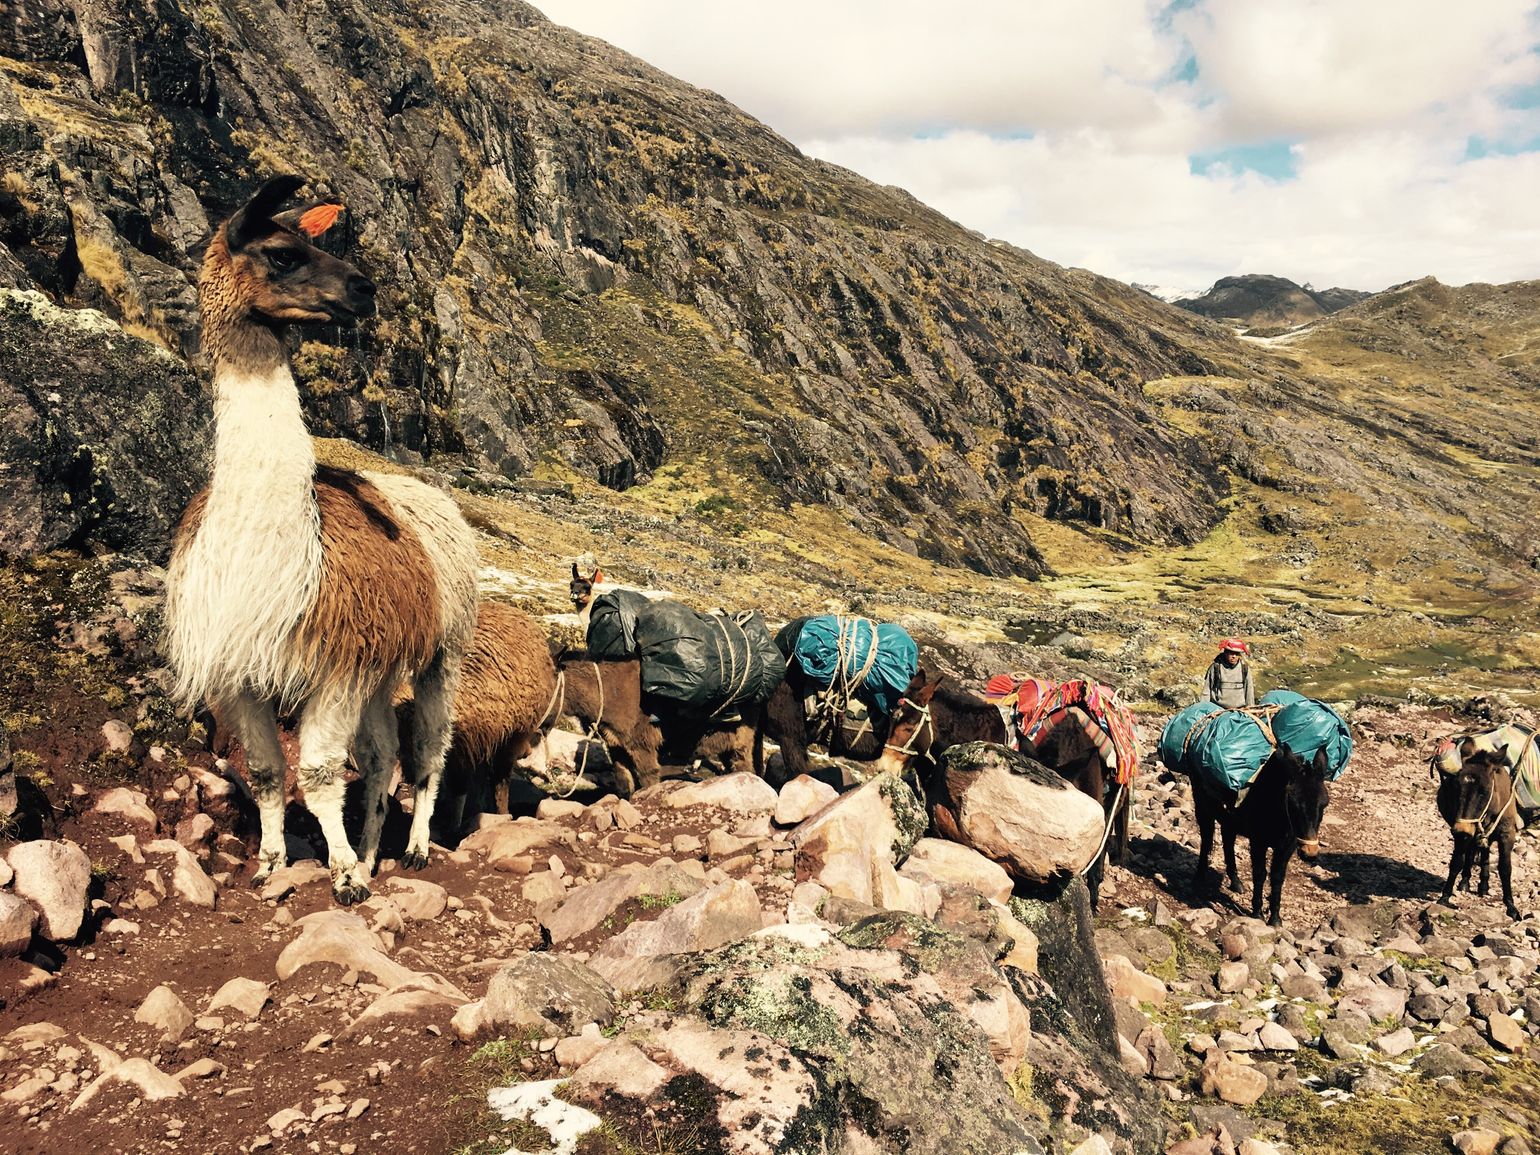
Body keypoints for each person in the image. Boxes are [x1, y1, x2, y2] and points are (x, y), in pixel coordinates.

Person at [1205, 638, 1254, 709]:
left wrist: (1250, 708)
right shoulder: (1216, 667)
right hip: (1217, 709)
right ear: (1225, 653)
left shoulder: (1244, 668)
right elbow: (1207, 690)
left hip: (1239, 710)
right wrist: (1204, 708)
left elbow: (1249, 690)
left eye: (1236, 654)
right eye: (1231, 653)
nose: (1234, 656)